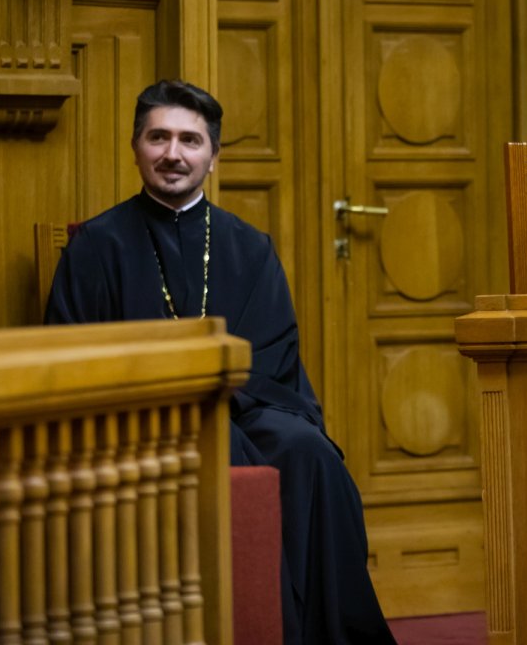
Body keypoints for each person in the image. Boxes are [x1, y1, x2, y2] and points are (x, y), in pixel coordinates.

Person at [45, 79, 396, 645]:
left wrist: (215, 394)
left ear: (213, 157)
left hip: (245, 406)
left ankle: (326, 634)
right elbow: (70, 352)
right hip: (135, 419)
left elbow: (275, 356)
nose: (173, 154)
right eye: (158, 137)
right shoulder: (96, 245)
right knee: (224, 448)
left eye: (190, 140)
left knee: (310, 453)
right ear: (135, 146)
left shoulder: (249, 246)